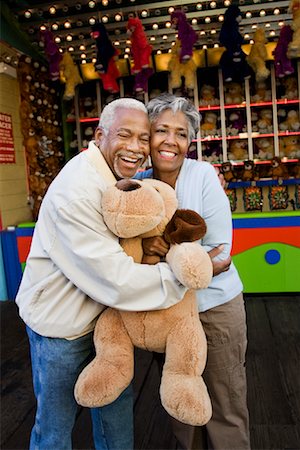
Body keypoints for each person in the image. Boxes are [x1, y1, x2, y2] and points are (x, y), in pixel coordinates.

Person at [15, 98, 192, 450]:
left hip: (106, 328)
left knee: (117, 423)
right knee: (54, 431)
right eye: (125, 135)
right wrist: (180, 281)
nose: (137, 148)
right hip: (61, 332)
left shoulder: (118, 178)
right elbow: (114, 279)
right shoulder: (77, 192)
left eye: (144, 139)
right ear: (99, 135)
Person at [136, 93, 250, 450]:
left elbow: (222, 254)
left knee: (224, 404)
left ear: (190, 141)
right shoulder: (135, 183)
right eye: (161, 131)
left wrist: (160, 257)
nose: (171, 141)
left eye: (182, 133)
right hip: (167, 314)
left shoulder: (201, 176)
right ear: (147, 136)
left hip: (214, 309)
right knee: (182, 407)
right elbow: (126, 251)